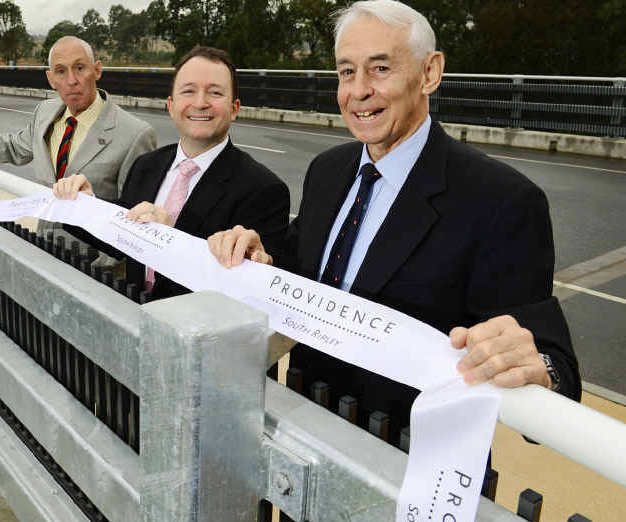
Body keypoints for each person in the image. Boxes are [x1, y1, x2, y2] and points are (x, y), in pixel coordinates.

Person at [207, 0, 580, 442]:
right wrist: (259, 256)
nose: (359, 90)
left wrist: (537, 367)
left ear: (430, 73)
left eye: (380, 68)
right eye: (347, 72)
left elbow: (554, 365)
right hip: (299, 432)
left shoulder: (503, 200)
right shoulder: (327, 171)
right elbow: (302, 269)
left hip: (408, 461)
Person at [54, 46, 290, 301]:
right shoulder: (146, 165)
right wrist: (87, 206)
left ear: (235, 108)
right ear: (171, 105)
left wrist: (169, 240)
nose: (200, 103)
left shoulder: (264, 190)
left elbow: (249, 293)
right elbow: (122, 241)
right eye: (188, 91)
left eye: (215, 92)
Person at [0, 36, 156, 204]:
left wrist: (104, 268)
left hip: (94, 265)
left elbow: (135, 213)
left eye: (80, 68)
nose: (72, 80)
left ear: (97, 70)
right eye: (61, 71)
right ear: (51, 78)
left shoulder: (135, 134)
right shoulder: (45, 113)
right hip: (44, 248)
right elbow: (12, 147)